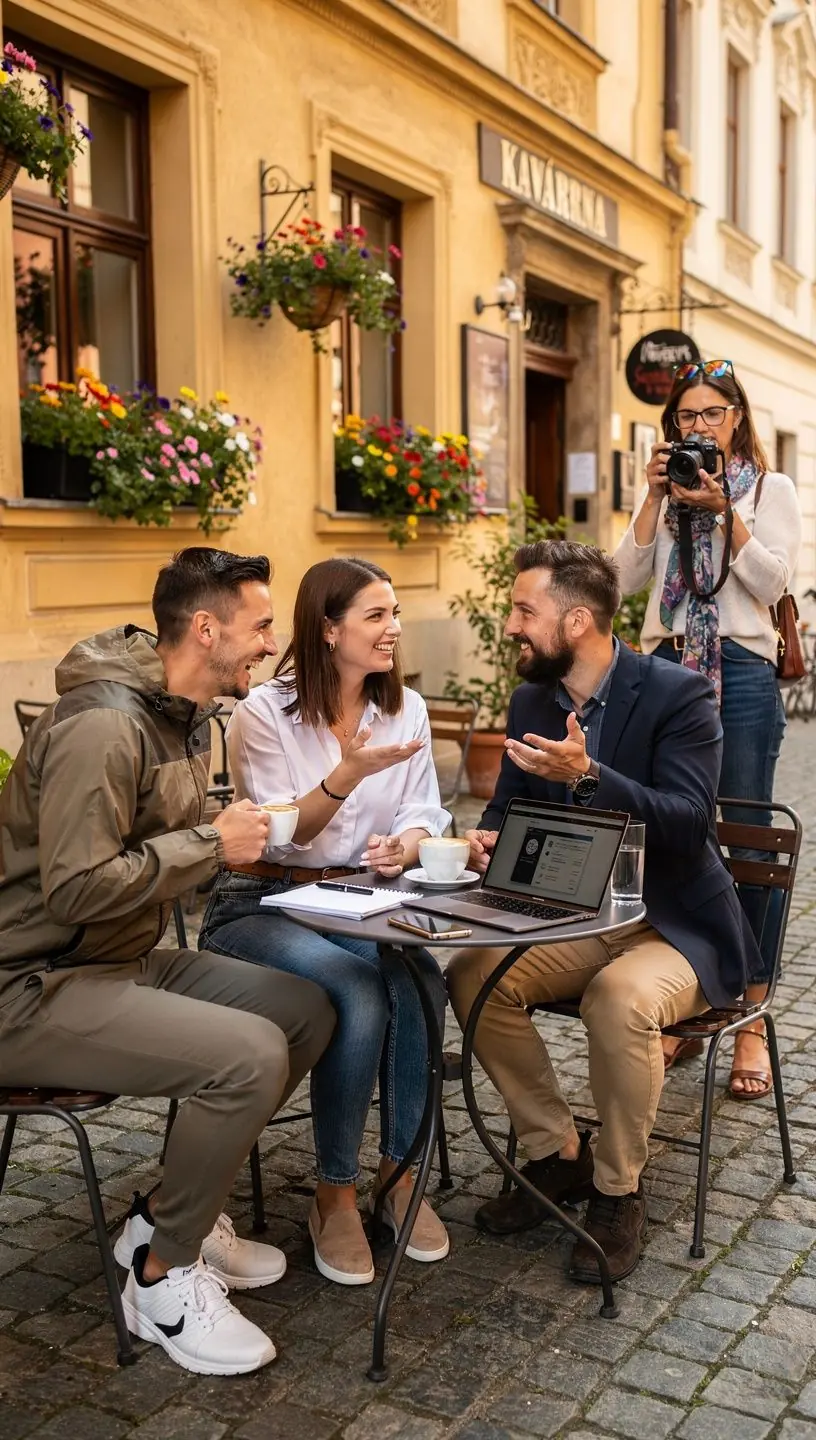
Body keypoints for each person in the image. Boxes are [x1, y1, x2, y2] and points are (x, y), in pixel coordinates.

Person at [0, 548, 336, 1376]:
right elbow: (78, 889)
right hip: (33, 985)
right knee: (248, 1053)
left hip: (117, 962)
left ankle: (164, 1218)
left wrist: (227, 832)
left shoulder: (174, 715)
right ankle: (160, 1280)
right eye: (260, 626)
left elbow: (147, 849)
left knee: (306, 1008)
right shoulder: (106, 725)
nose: (268, 643)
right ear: (206, 627)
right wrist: (210, 844)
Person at [446, 539, 762, 1284]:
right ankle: (556, 1152)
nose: (512, 624)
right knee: (473, 973)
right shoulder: (531, 699)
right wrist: (482, 841)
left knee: (617, 999)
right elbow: (505, 808)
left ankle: (618, 1191)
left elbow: (687, 822)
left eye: (526, 610)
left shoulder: (680, 694)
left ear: (578, 620)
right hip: (576, 917)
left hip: (675, 923)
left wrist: (590, 776)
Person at [200, 557, 451, 1287]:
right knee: (357, 987)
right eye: (377, 616)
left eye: (396, 613)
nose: (394, 630)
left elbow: (425, 808)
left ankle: (401, 1174)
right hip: (262, 903)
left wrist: (404, 843)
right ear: (327, 628)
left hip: (358, 901)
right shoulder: (264, 713)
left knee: (420, 979)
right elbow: (281, 836)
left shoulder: (404, 708)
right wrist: (348, 775)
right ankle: (333, 1194)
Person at [615, 358, 802, 1097]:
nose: (697, 427)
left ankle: (750, 1017)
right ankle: (682, 1000)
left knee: (747, 836)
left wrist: (726, 510)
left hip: (743, 676)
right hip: (662, 673)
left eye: (710, 415)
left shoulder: (772, 489)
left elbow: (772, 582)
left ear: (736, 419)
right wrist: (651, 499)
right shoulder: (663, 496)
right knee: (669, 835)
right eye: (686, 418)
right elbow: (623, 582)